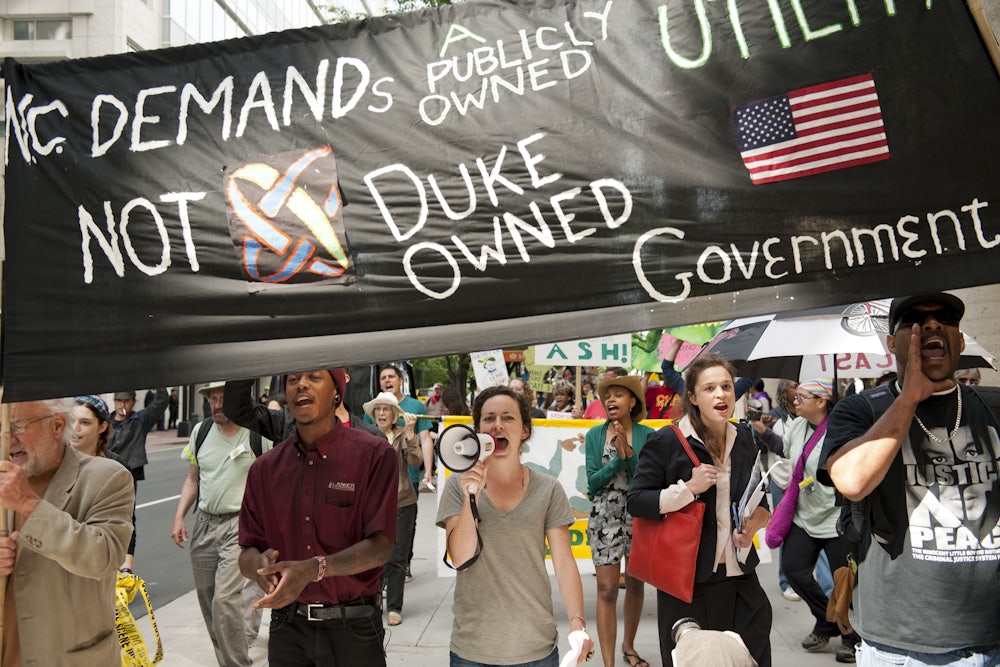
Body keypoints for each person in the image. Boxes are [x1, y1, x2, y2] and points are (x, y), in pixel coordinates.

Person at [821, 292, 1000, 666]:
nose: (932, 325)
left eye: (945, 318)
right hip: (901, 646)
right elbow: (851, 481)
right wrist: (909, 400)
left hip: (991, 635)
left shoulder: (993, 405)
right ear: (891, 343)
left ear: (960, 340)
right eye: (915, 320)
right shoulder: (862, 410)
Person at [238, 368, 398, 666]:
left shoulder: (374, 455)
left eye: (314, 377)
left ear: (336, 391)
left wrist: (313, 569)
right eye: (293, 379)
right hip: (288, 629)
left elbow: (381, 547)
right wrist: (258, 568)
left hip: (355, 628)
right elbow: (247, 550)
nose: (302, 385)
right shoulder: (265, 469)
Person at [627, 354, 772, 667]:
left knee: (753, 659)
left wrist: (755, 523)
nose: (720, 394)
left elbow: (761, 503)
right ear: (692, 396)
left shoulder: (745, 437)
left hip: (741, 576)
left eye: (726, 386)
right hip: (687, 580)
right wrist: (687, 489)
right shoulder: (666, 440)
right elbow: (637, 501)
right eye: (709, 388)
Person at [436, 385, 595, 666]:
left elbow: (564, 562)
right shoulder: (457, 486)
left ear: (524, 431)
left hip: (536, 646)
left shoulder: (548, 488)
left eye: (508, 418)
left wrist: (577, 623)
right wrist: (470, 497)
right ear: (478, 431)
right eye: (489, 418)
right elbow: (460, 557)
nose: (498, 425)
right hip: (473, 648)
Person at [0, 395, 135, 665]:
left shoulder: (107, 477)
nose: (8, 438)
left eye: (19, 426)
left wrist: (28, 503)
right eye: (3, 428)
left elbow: (103, 558)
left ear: (58, 425)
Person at [171, 381, 273, 667]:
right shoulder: (200, 432)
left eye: (222, 399)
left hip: (239, 526)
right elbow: (193, 479)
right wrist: (179, 516)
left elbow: (276, 477)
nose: (216, 405)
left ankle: (238, 664)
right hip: (204, 523)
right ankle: (227, 661)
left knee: (225, 600)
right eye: (212, 400)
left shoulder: (257, 433)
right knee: (208, 601)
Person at [763, 379, 859, 663]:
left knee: (845, 582)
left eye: (803, 397)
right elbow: (785, 450)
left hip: (836, 517)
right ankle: (825, 619)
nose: (796, 401)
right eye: (797, 396)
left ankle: (851, 637)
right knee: (794, 570)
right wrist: (763, 432)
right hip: (804, 515)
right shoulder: (797, 426)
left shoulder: (841, 429)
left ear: (821, 401)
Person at [585, 375, 655, 667]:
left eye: (618, 395)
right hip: (604, 516)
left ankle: (629, 647)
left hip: (639, 516)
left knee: (636, 585)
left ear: (633, 402)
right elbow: (592, 483)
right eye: (608, 396)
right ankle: (608, 661)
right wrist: (617, 459)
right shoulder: (594, 435)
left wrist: (629, 453)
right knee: (607, 589)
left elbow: (649, 478)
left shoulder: (648, 435)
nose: (611, 400)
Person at [364, 392, 420, 627]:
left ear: (394, 414)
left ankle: (394, 607)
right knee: (374, 556)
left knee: (396, 558)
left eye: (386, 409)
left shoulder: (402, 434)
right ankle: (373, 602)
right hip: (373, 505)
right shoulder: (366, 435)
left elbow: (416, 461)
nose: (381, 414)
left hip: (402, 502)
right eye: (378, 410)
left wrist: (410, 434)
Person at [70, 395, 138, 573]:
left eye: (85, 422)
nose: (75, 428)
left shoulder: (117, 469)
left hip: (98, 561)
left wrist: (126, 566)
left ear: (102, 426)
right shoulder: (54, 464)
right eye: (71, 420)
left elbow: (127, 521)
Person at [109, 387, 168, 483]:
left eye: (126, 401)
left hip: (127, 474)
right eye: (119, 400)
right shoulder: (105, 423)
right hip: (107, 472)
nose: (122, 405)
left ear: (133, 402)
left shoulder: (140, 420)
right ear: (114, 401)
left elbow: (161, 402)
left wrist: (159, 380)